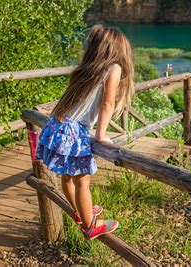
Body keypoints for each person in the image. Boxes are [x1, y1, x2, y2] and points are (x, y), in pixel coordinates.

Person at [35, 24, 134, 240]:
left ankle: (81, 213)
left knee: (68, 177)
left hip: (57, 124)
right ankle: (90, 226)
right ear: (117, 49)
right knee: (83, 180)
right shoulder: (113, 68)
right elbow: (107, 103)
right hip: (74, 130)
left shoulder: (86, 69)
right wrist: (101, 135)